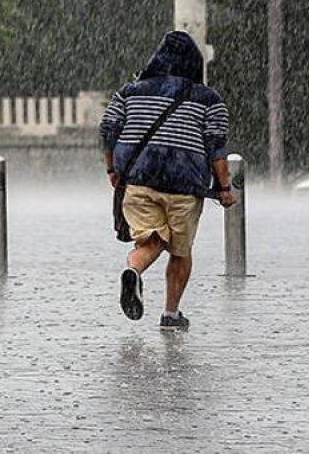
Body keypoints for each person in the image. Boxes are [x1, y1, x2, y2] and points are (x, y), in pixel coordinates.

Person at [100, 31, 236, 331]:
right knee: (180, 251)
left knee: (151, 239)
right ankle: (171, 315)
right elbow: (216, 147)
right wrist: (224, 188)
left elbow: (108, 130)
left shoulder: (129, 92)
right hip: (184, 186)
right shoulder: (208, 99)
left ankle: (133, 270)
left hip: (139, 180)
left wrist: (112, 169)